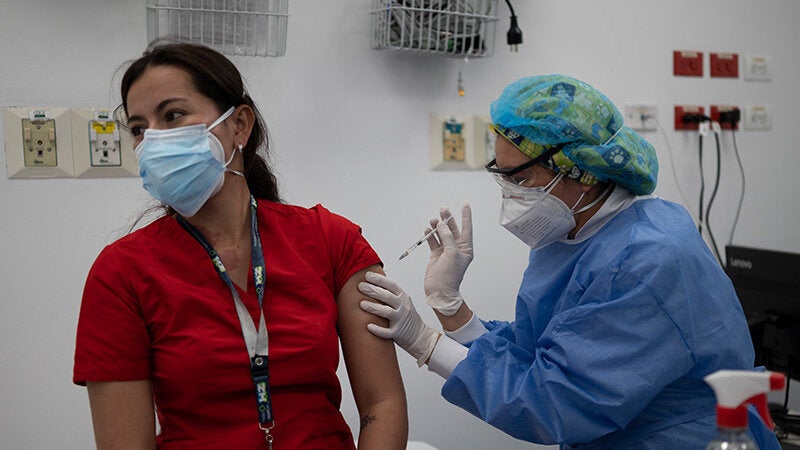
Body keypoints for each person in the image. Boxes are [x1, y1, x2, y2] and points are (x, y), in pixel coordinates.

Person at [357, 74, 781, 449]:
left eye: (521, 179)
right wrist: (451, 305)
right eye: (503, 178)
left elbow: (550, 402)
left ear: (582, 172)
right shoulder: (573, 237)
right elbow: (541, 355)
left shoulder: (645, 259)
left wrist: (426, 343)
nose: (511, 194)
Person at [72, 41, 408, 450]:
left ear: (239, 126)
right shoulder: (121, 273)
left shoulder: (331, 240)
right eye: (139, 129)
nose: (153, 141)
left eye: (173, 115)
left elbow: (383, 403)